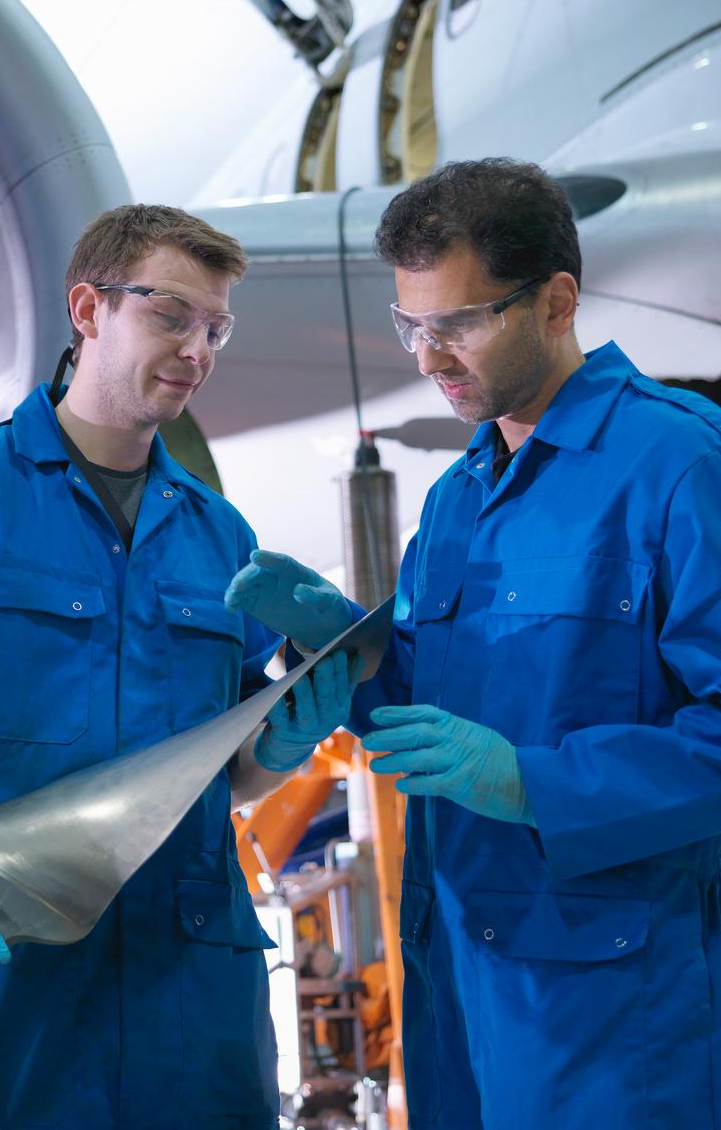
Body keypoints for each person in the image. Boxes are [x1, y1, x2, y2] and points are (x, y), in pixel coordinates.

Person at [0, 204, 359, 1130]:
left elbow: (228, 778)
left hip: (191, 992)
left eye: (216, 327)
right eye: (172, 315)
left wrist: (287, 732)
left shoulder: (220, 534)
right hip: (5, 972)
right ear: (90, 308)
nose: (198, 349)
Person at [225, 159, 721, 1129]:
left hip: (621, 1017)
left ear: (556, 301)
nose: (426, 357)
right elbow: (433, 723)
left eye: (456, 323)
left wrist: (534, 782)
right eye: (410, 326)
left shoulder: (680, 463)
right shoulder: (458, 496)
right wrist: (354, 655)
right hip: (454, 984)